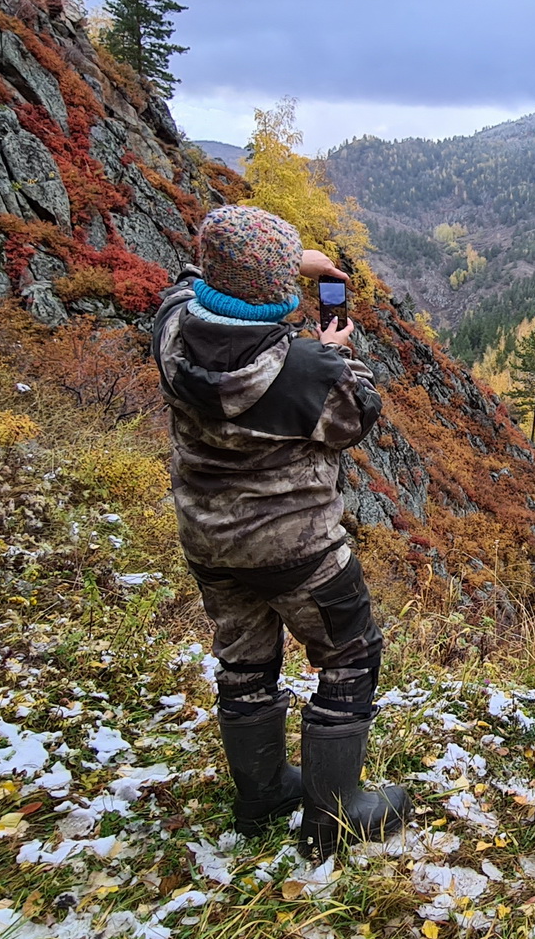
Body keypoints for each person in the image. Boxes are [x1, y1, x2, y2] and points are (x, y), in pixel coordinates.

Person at [149, 204, 410, 856]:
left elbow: (194, 278)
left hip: (209, 540)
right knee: (350, 655)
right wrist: (336, 355)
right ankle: (335, 814)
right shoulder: (305, 372)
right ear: (273, 297)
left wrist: (290, 265)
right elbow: (357, 417)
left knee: (244, 660)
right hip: (297, 550)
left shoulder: (173, 328)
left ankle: (262, 794)